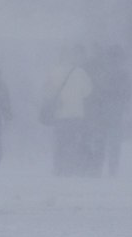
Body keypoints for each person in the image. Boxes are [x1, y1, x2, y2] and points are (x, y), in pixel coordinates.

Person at [41, 49, 97, 177]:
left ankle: (59, 167)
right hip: (76, 113)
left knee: (60, 142)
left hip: (59, 114)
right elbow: (88, 91)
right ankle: (72, 166)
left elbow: (46, 92)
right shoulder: (80, 72)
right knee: (74, 141)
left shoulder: (54, 72)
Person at [86, 45, 132, 177]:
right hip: (113, 112)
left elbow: (96, 92)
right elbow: (127, 94)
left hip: (104, 111)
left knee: (102, 140)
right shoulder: (122, 73)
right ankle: (111, 168)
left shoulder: (103, 73)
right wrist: (124, 106)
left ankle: (99, 168)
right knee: (112, 142)